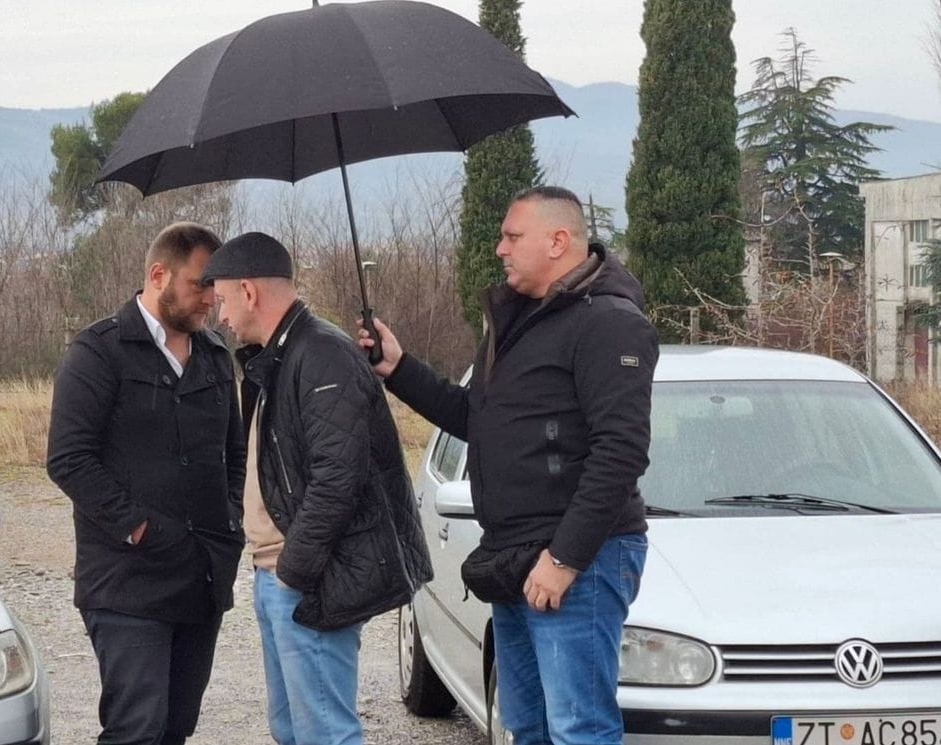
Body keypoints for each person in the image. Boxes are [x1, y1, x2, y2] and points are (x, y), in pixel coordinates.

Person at [360, 186, 658, 745]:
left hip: (578, 562)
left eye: (512, 236)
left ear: (558, 241)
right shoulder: (520, 321)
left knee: (579, 730)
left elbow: (620, 452)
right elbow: (477, 418)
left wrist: (564, 559)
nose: (500, 248)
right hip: (512, 556)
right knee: (526, 726)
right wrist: (398, 369)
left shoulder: (609, 323)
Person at [200, 231, 432, 745]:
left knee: (324, 734)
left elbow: (338, 478)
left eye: (223, 301)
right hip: (279, 574)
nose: (221, 317)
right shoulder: (277, 358)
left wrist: (294, 571)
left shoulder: (321, 353)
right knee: (291, 729)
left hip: (309, 580)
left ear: (248, 291)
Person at [46, 222, 245, 745]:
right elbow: (68, 459)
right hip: (126, 582)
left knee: (175, 728)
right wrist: (137, 527)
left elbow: (234, 454)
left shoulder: (215, 357)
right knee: (137, 729)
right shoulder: (98, 352)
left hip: (202, 578)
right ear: (159, 275)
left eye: (215, 287)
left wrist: (230, 524)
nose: (211, 299)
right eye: (200, 284)